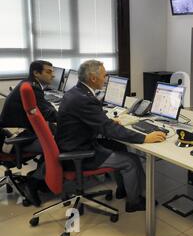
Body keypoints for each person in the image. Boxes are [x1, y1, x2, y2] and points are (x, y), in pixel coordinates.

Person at [55, 60, 166, 212]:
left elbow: (93, 121)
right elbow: (109, 130)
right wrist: (144, 138)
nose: (106, 78)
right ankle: (134, 202)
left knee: (120, 146)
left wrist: (105, 121)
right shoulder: (85, 99)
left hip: (71, 145)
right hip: (78, 153)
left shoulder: (76, 92)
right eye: (104, 75)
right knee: (132, 161)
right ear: (93, 78)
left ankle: (123, 189)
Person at [0, 60, 58, 206]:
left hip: (13, 134)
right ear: (36, 73)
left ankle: (43, 178)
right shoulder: (31, 88)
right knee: (56, 144)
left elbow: (44, 107)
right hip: (14, 141)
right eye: (49, 72)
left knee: (53, 131)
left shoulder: (28, 84)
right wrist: (71, 112)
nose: (53, 75)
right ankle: (35, 181)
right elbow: (49, 114)